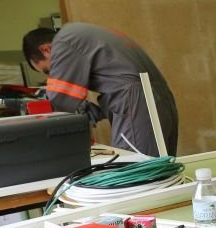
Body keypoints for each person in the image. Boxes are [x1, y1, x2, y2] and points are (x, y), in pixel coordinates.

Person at [22, 23, 178, 156]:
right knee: (162, 169)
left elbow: (59, 100)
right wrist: (95, 110)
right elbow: (121, 80)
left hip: (137, 102)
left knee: (132, 171)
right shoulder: (84, 31)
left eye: (47, 70)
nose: (51, 75)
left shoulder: (64, 41)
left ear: (46, 49)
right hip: (160, 99)